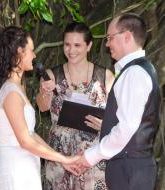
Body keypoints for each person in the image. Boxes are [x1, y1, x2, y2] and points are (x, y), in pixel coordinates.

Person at [0, 26, 80, 190]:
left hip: (25, 166)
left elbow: (31, 134)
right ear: (19, 52)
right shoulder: (10, 91)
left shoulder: (16, 88)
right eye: (31, 51)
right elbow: (25, 141)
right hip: (15, 168)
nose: (34, 56)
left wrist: (61, 159)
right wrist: (65, 159)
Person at [76, 12, 161, 190]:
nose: (107, 44)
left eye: (110, 37)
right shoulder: (137, 70)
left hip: (130, 170)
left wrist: (90, 156)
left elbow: (127, 127)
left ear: (127, 36)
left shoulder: (134, 73)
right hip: (130, 168)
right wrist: (106, 124)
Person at [36, 22, 114, 190]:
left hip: (93, 156)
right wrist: (45, 92)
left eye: (77, 45)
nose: (71, 50)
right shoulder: (51, 75)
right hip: (60, 155)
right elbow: (42, 108)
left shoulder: (105, 76)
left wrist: (106, 124)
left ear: (89, 46)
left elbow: (118, 116)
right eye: (67, 45)